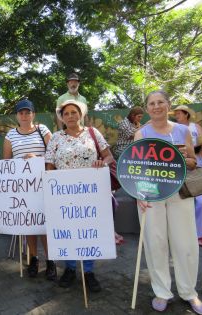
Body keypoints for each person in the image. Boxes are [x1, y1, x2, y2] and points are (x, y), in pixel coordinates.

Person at [135, 91, 202, 315]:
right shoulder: (141, 133)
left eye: (160, 102)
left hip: (179, 192)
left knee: (185, 243)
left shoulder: (183, 130)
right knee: (155, 242)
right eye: (152, 103)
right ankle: (162, 291)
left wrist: (184, 158)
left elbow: (194, 162)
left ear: (169, 105)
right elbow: (135, 168)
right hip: (152, 194)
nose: (156, 106)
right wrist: (139, 195)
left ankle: (189, 292)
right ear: (147, 108)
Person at [45, 99, 115, 291]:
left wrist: (103, 163)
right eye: (66, 113)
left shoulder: (93, 133)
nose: (70, 116)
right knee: (68, 229)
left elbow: (108, 156)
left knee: (88, 229)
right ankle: (70, 268)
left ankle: (88, 271)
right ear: (61, 117)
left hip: (90, 193)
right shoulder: (56, 138)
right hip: (64, 194)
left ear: (81, 114)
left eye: (73, 112)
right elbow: (49, 165)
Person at [3, 99, 56, 280]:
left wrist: (37, 158)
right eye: (21, 113)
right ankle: (33, 258)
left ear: (33, 114)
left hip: (43, 185)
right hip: (22, 188)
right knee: (29, 224)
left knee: (45, 224)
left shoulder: (43, 130)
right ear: (17, 115)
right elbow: (7, 162)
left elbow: (53, 154)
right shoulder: (10, 135)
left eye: (28, 112)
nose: (24, 116)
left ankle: (51, 260)